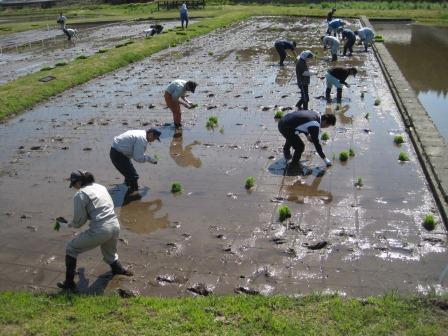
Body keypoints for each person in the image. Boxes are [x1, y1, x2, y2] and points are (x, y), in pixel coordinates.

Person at [56, 170, 133, 291]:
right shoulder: (100, 187)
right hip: (114, 224)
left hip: (101, 229)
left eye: (74, 185)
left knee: (71, 248)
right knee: (110, 255)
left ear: (79, 182)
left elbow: (79, 222)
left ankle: (69, 284)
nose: (75, 188)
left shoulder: (80, 194)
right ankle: (120, 271)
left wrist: (65, 225)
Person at [110, 128, 161, 193]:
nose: (153, 141)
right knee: (133, 176)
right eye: (154, 138)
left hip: (118, 152)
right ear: (150, 134)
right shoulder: (141, 139)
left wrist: (151, 160)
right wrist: (149, 159)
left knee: (129, 173)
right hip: (118, 155)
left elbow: (138, 152)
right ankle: (133, 195)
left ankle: (128, 186)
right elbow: (138, 158)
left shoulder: (141, 133)